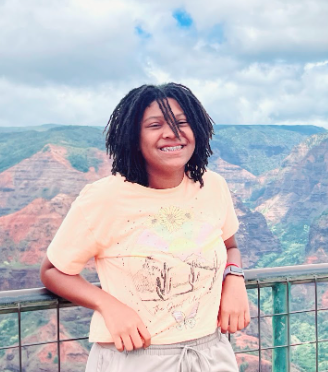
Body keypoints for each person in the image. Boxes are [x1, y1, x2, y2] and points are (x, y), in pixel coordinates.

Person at [40, 83, 250, 372]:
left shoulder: (213, 186)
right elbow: (53, 271)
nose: (172, 133)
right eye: (155, 125)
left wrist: (234, 279)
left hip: (211, 354)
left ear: (198, 130)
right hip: (136, 357)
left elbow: (231, 246)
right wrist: (107, 305)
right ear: (133, 137)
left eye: (182, 122)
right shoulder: (104, 198)